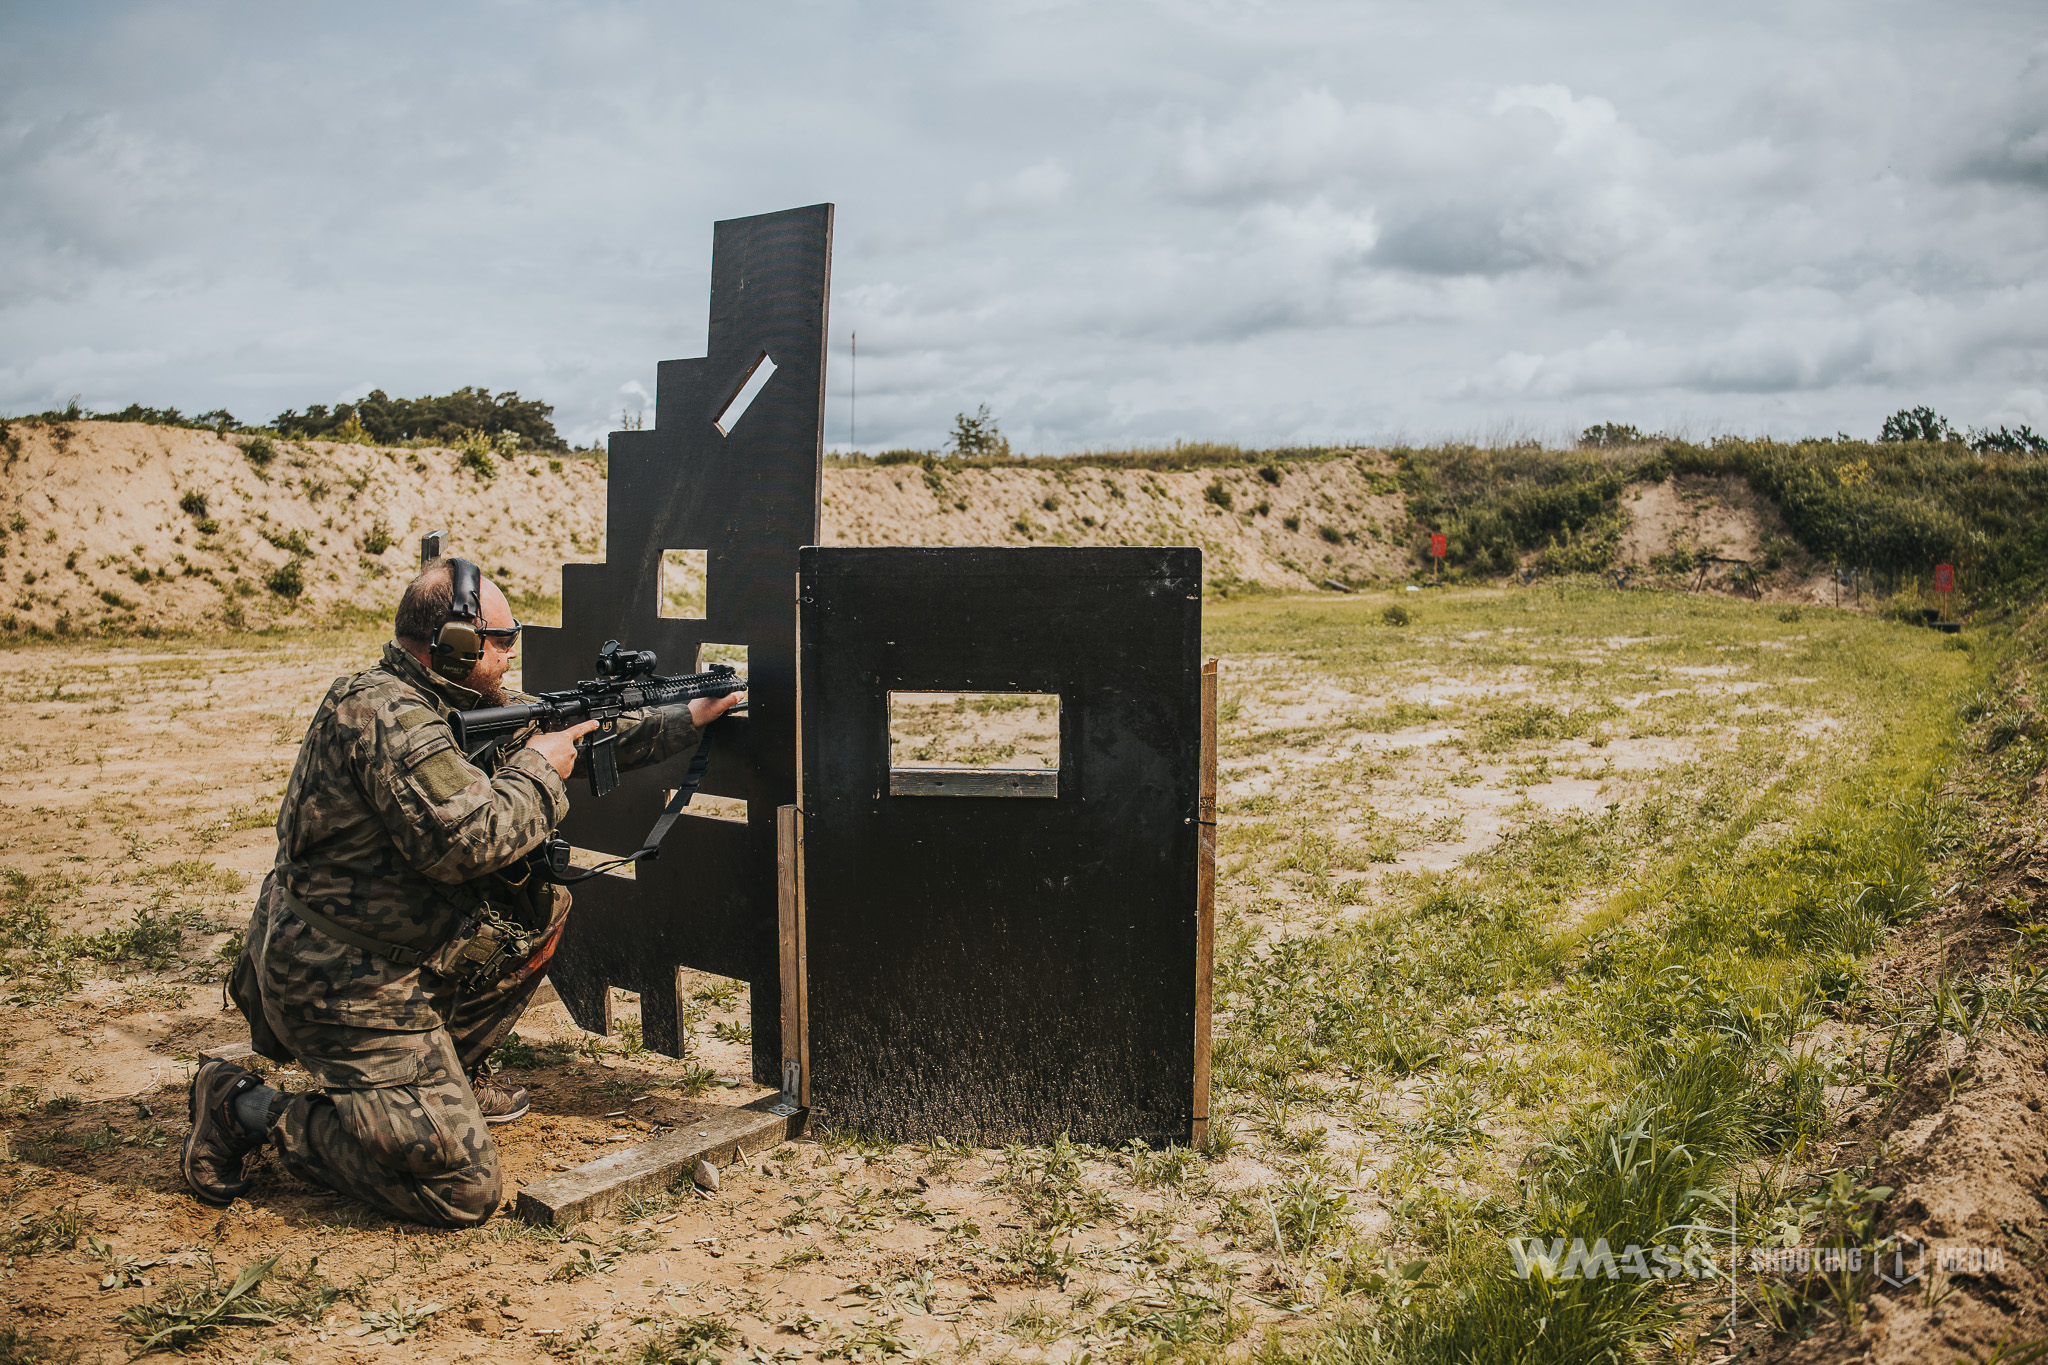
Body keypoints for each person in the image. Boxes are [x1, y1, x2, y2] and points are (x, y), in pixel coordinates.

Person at [183, 558, 741, 1226]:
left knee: (537, 909)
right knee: (461, 1185)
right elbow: (466, 841)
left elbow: (585, 736)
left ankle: (432, 1084)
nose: (512, 654)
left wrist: (691, 715)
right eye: (503, 641)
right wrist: (538, 771)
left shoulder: (448, 703)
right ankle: (246, 1107)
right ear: (452, 645)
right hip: (337, 981)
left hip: (383, 956)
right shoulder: (387, 715)